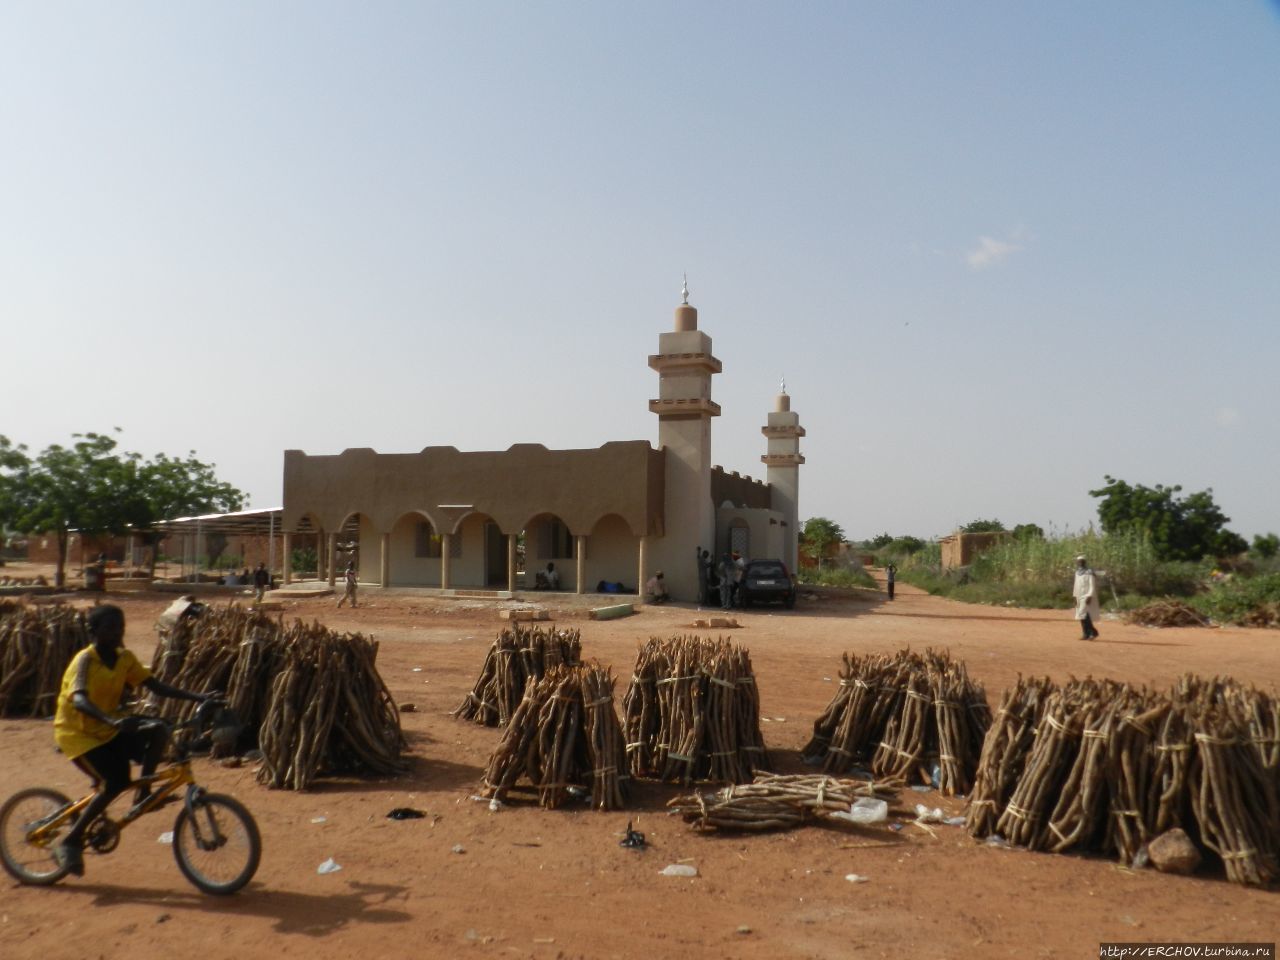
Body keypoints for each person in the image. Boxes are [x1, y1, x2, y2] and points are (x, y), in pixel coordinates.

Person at [52, 604, 215, 877]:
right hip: (79, 735)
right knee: (116, 781)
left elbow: (154, 685)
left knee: (158, 729)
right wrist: (112, 721)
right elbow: (79, 699)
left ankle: (144, 794)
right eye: (110, 628)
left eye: (120, 628)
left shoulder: (124, 658)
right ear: (94, 631)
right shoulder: (85, 660)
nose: (117, 633)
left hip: (109, 729)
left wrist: (199, 697)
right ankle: (70, 842)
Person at [1073, 555, 1101, 640]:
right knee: (1081, 615)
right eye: (1079, 561)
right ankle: (1086, 633)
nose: (1080, 563)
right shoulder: (1077, 572)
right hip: (1079, 595)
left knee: (1083, 613)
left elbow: (1092, 585)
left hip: (1087, 595)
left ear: (1085, 562)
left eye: (1082, 561)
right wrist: (1075, 596)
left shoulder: (1089, 572)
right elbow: (1076, 585)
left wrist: (1090, 595)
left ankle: (1093, 632)